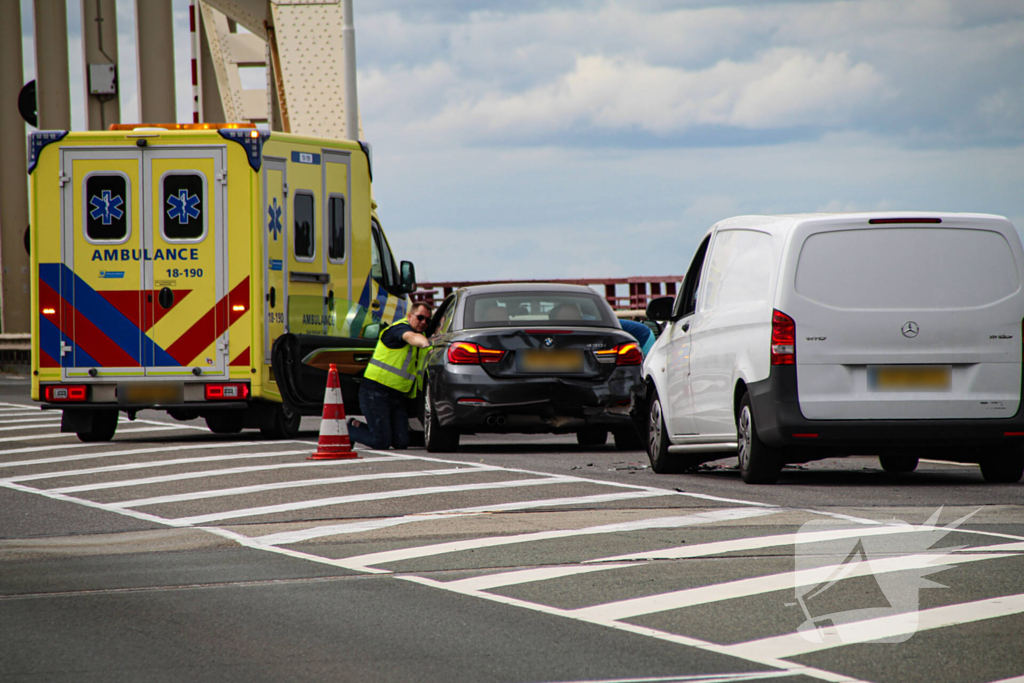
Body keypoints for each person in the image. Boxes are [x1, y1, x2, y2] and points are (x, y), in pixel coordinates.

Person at [348, 303, 433, 450]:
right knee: (381, 442)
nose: (424, 322)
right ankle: (346, 430)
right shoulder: (399, 330)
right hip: (375, 392)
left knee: (401, 443)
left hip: (396, 396)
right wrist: (427, 344)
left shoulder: (421, 335)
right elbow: (411, 338)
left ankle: (358, 425)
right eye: (420, 317)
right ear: (409, 316)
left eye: (427, 320)